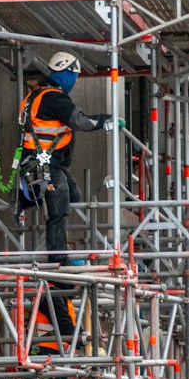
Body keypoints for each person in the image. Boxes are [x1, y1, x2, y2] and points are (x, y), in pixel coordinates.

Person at [17, 52, 117, 264]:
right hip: (45, 165)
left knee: (73, 195)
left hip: (40, 163)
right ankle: (57, 257)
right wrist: (106, 120)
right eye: (75, 76)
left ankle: (49, 247)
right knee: (58, 210)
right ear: (66, 73)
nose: (75, 81)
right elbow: (79, 121)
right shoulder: (53, 98)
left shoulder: (35, 96)